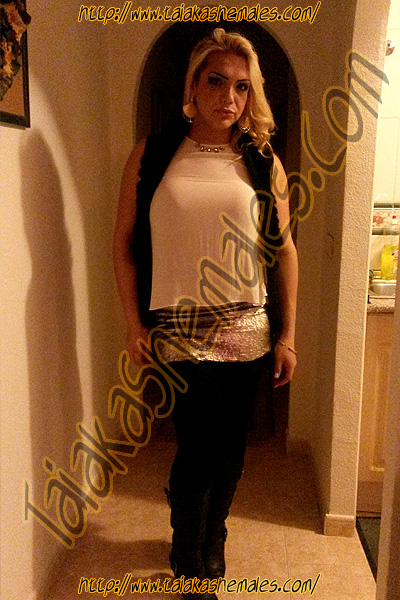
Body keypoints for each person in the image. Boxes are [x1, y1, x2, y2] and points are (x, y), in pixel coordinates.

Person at [113, 28, 298, 600]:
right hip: (177, 328)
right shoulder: (152, 154)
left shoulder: (262, 162)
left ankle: (213, 534)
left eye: (242, 86)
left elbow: (285, 250)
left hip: (247, 326)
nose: (229, 96)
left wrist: (289, 335)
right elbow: (123, 243)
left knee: (232, 445)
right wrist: (133, 323)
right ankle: (187, 552)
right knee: (198, 442)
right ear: (193, 86)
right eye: (216, 81)